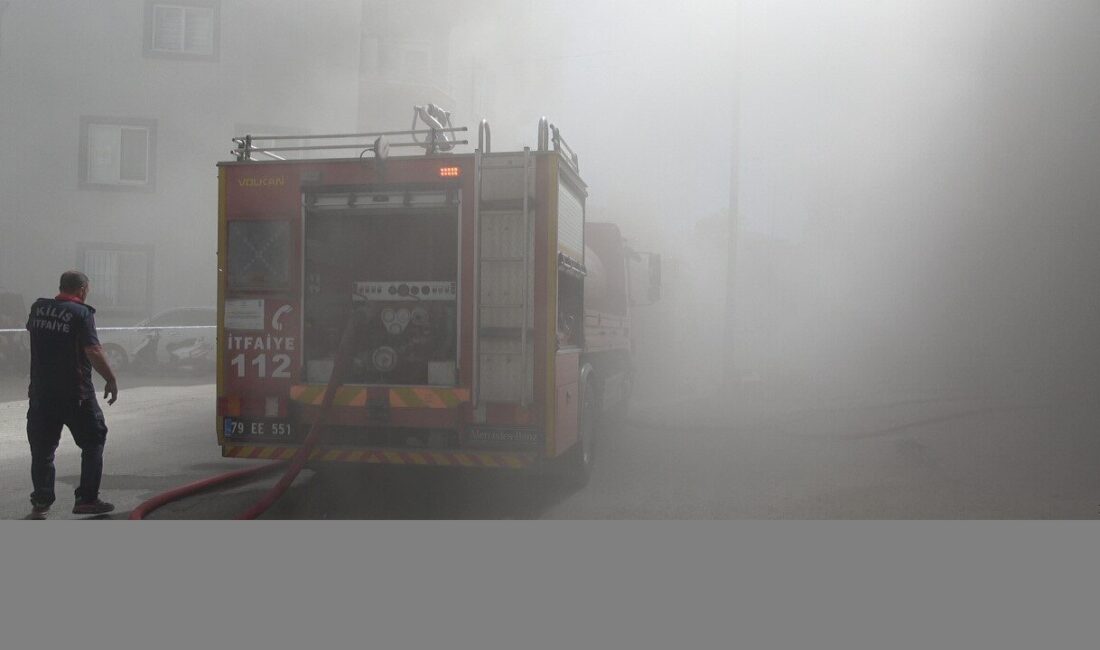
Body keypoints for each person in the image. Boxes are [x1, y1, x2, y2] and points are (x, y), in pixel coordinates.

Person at [26, 270, 118, 517]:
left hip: (41, 395)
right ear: (83, 290)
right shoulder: (82, 313)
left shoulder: (38, 309)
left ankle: (42, 499)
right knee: (93, 441)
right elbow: (94, 350)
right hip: (76, 395)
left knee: (42, 449)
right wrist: (110, 379)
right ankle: (87, 499)